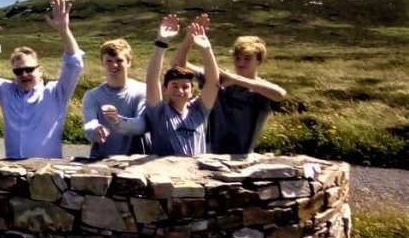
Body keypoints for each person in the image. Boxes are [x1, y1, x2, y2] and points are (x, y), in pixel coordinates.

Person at [0, 0, 83, 159]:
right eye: (18, 71)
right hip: (14, 174)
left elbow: (74, 63)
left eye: (29, 69)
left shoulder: (56, 92)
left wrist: (64, 30)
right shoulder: (6, 90)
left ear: (40, 70)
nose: (24, 74)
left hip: (47, 175)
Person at [171, 15, 288, 154]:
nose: (241, 63)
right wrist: (189, 39)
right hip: (210, 155)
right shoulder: (221, 79)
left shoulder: (261, 89)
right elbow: (179, 67)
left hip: (242, 156)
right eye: (237, 58)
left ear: (259, 60)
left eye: (247, 58)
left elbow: (280, 94)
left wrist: (236, 79)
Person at [116, 14, 220, 156]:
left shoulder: (199, 110)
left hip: (196, 174)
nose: (180, 90)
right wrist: (162, 42)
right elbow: (152, 79)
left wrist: (207, 49)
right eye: (174, 86)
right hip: (165, 174)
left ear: (192, 91)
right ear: (165, 89)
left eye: (185, 87)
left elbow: (213, 83)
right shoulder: (159, 112)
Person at [80, 39, 149, 158]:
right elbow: (89, 124)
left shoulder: (142, 91)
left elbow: (142, 126)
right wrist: (95, 130)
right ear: (102, 63)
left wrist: (118, 120)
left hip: (135, 163)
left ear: (129, 62)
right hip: (101, 162)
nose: (114, 65)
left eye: (119, 60)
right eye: (109, 61)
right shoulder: (92, 96)